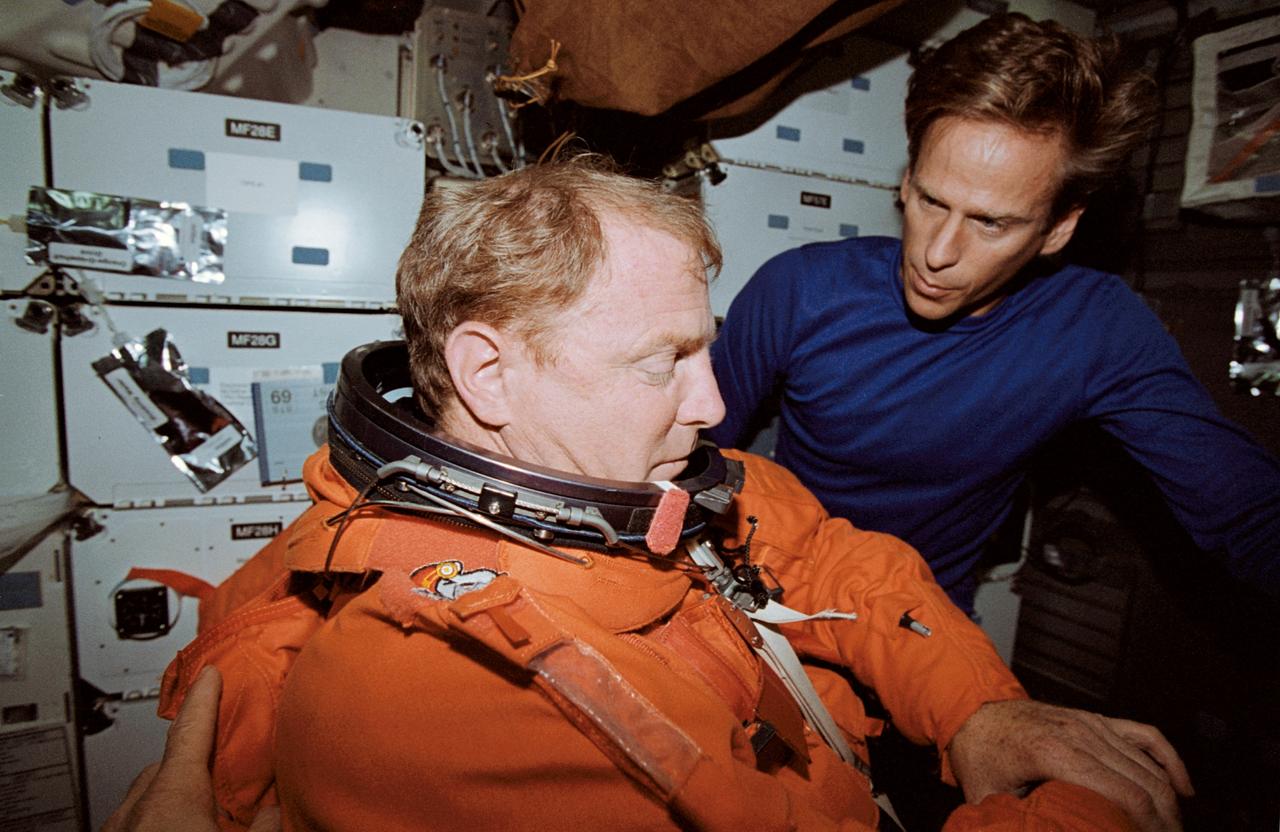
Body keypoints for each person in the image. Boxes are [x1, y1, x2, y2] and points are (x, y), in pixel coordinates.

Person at [148, 157, 1191, 832]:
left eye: (705, 349)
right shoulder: (440, 696)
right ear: (488, 374)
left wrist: (976, 707)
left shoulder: (639, 479)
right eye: (664, 361)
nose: (716, 400)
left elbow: (834, 558)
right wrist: (1080, 812)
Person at [708, 13, 1280, 614]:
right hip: (775, 597)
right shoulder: (800, 289)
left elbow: (1245, 511)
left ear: (1058, 228)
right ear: (906, 181)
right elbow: (692, 453)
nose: (937, 252)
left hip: (925, 622)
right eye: (931, 200)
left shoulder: (1097, 329)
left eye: (990, 223)